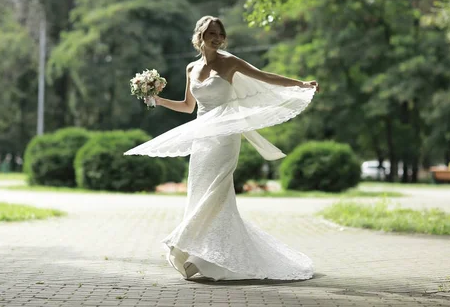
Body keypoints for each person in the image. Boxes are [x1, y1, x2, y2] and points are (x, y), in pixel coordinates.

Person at [125, 16, 319, 281]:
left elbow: (264, 77)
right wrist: (157, 100)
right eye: (211, 33)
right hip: (202, 138)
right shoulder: (191, 67)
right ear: (200, 37)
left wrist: (300, 84)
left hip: (225, 137)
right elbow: (188, 106)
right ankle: (203, 255)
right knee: (199, 191)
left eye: (220, 34)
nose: (216, 38)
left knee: (217, 192)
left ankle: (190, 247)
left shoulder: (231, 63)